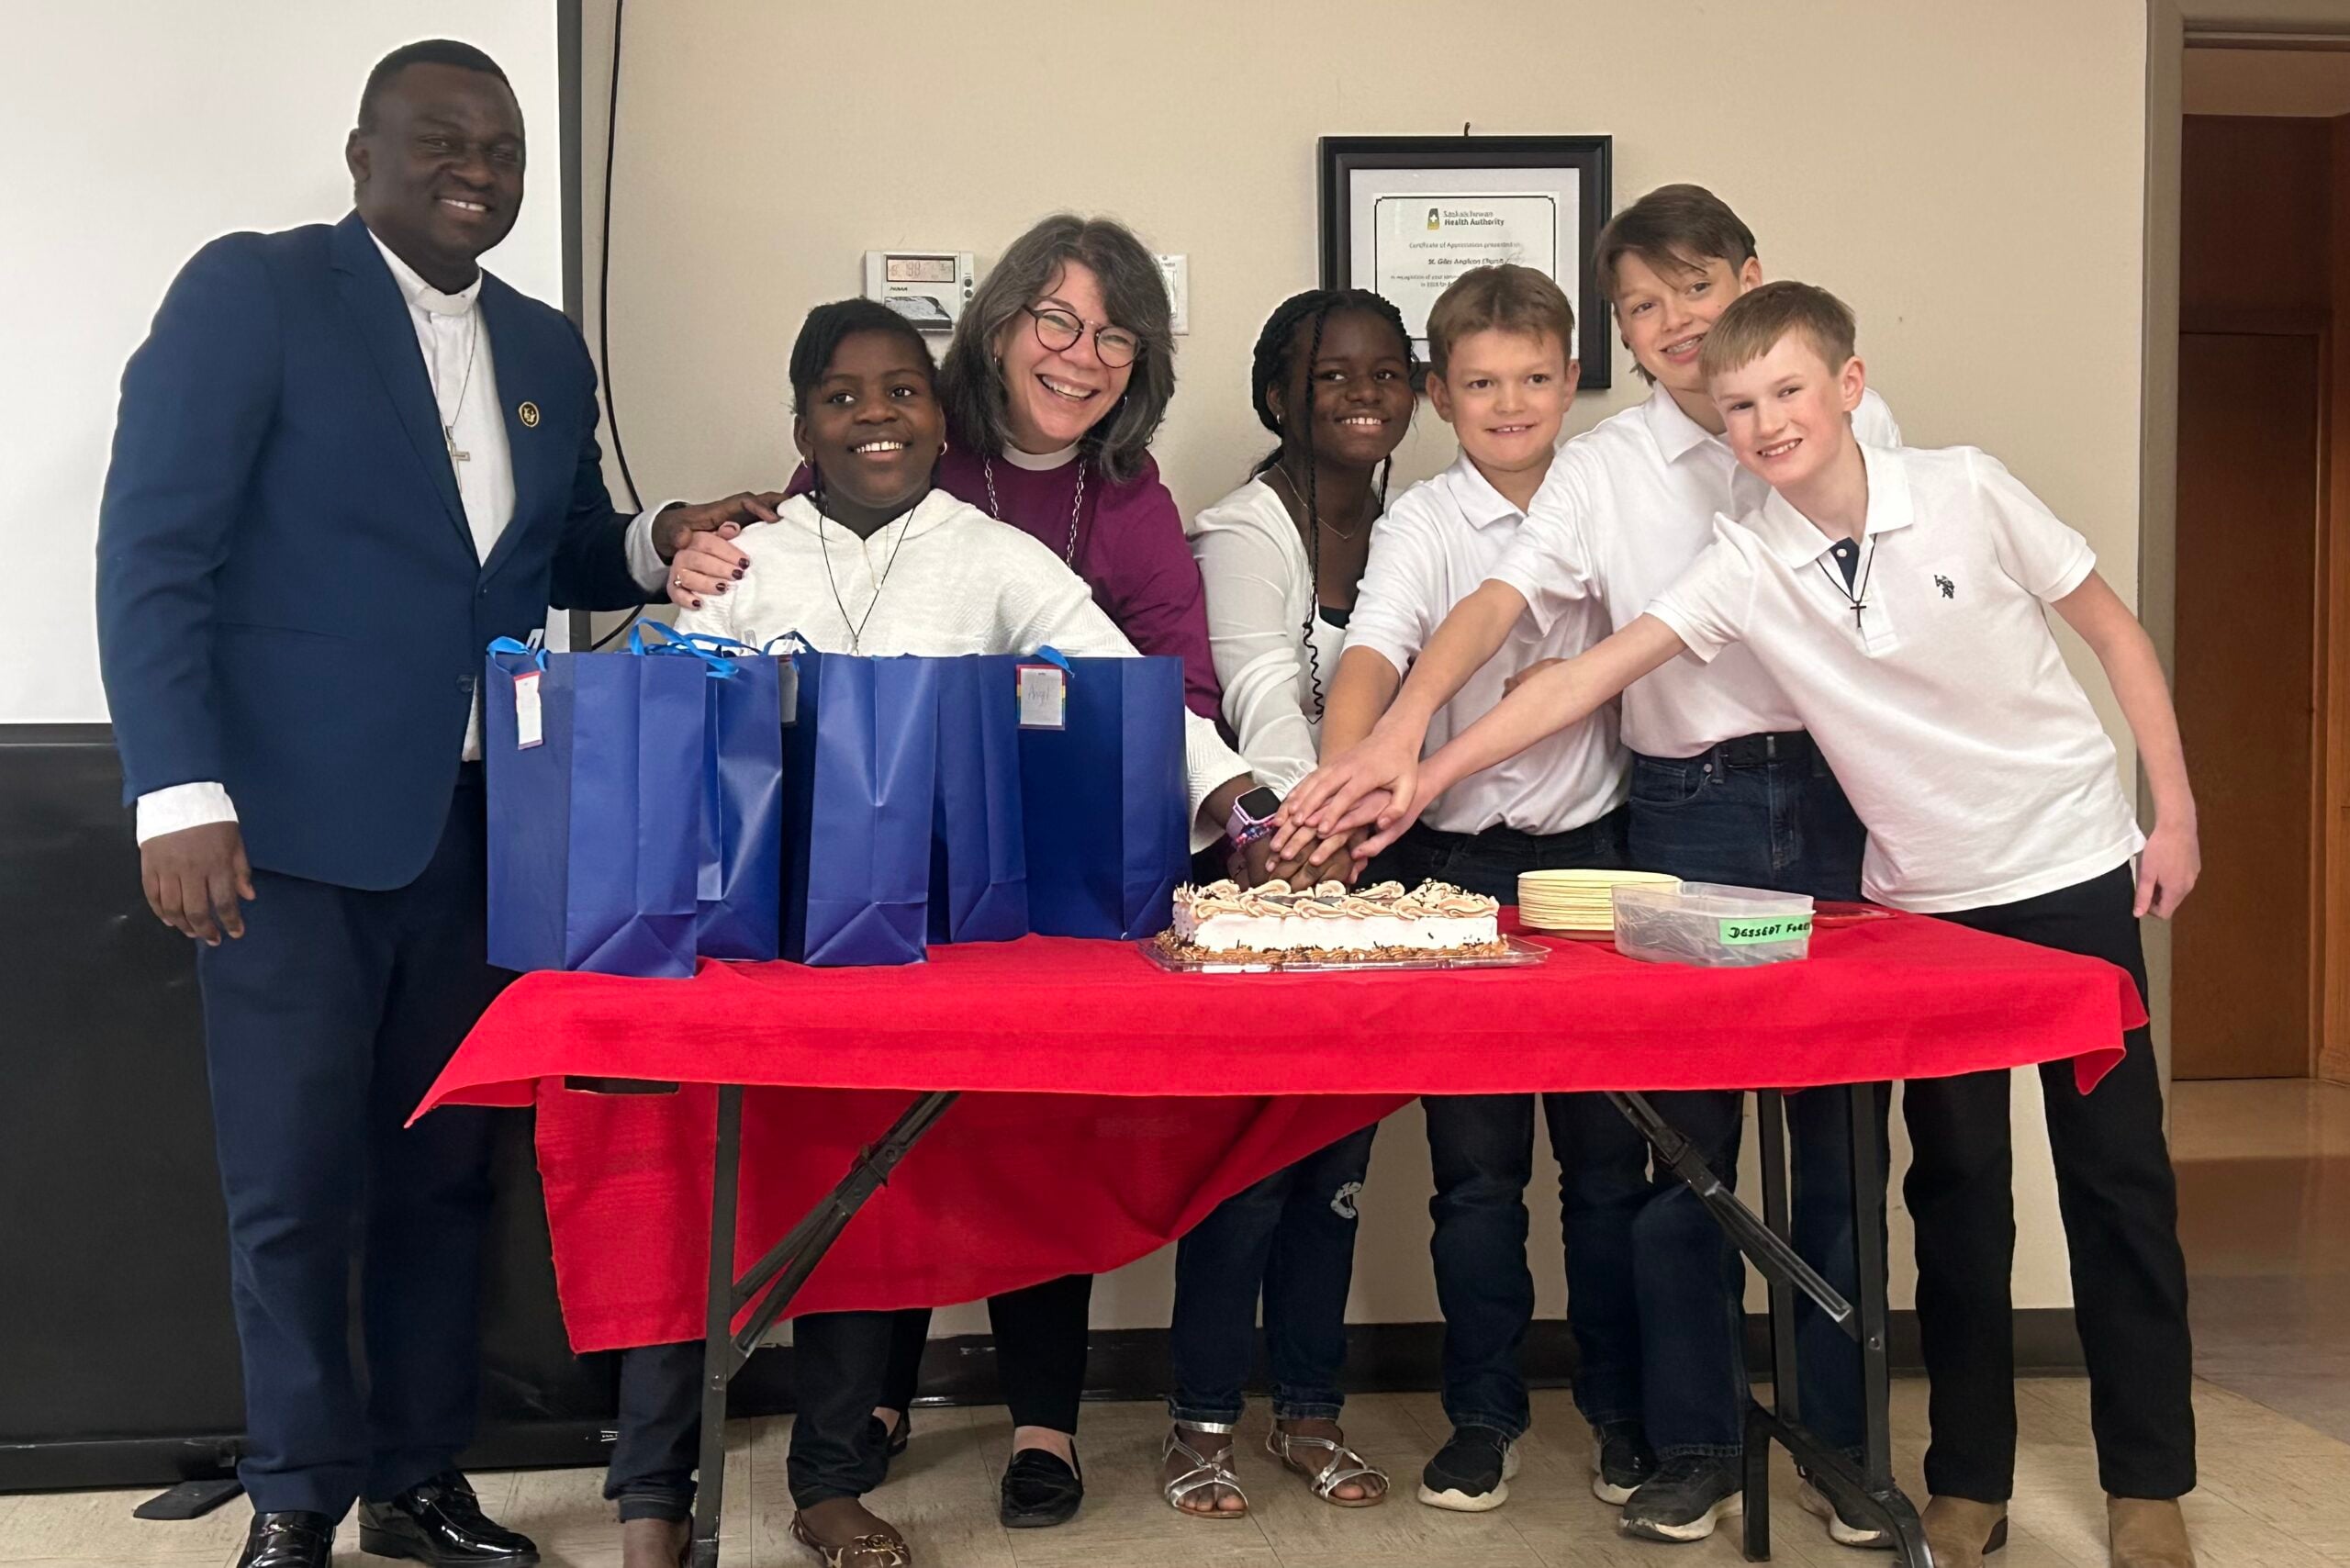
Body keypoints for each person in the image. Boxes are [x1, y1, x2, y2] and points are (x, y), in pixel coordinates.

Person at [1307, 280, 2201, 1568]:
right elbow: (1579, 678)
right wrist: (1422, 769)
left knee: (2116, 1178)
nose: (1768, 422)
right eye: (1740, 406)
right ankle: (1967, 1480)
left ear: (1849, 388)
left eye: (1789, 392)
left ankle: (2147, 1487)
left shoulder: (1964, 486)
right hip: (1925, 899)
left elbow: (2114, 632)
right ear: (1714, 422)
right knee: (1957, 1191)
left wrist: (2172, 812)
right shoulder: (1744, 562)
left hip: (2071, 863)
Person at [93, 40, 779, 1568]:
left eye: (503, 147)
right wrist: (176, 792)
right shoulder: (257, 293)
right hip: (280, 839)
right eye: (441, 141)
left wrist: (663, 536)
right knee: (292, 1184)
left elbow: (551, 553)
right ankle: (295, 1495)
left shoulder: (542, 346)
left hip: (486, 830)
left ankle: (415, 1484)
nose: (478, 169)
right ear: (363, 155)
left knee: (444, 1177)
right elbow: (153, 551)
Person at [1290, 184, 1904, 1546]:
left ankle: (1819, 1443)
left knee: (1810, 1146)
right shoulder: (1597, 473)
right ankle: (1653, 1436)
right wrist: (1387, 757)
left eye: (1695, 289)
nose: (1675, 322)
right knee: (1633, 1157)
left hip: (1795, 803)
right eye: (1644, 305)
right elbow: (1467, 619)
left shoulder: (1824, 423)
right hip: (1638, 823)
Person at [604, 297, 1262, 1568]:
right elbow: (663, 724)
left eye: (902, 392)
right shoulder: (747, 558)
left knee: (860, 1205)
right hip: (745, 943)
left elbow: (1124, 687)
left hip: (902, 941)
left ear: (940, 414)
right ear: (802, 422)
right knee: (705, 1204)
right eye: (842, 397)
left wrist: (1238, 800)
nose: (876, 418)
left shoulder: (994, 555)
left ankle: (830, 1481)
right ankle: (651, 1497)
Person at [1266, 263, 1649, 1516]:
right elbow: (1374, 651)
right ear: (1439, 395)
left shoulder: (1617, 496)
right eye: (1481, 383)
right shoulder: (1425, 522)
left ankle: (1621, 1415)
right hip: (1458, 871)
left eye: (1534, 378)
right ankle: (1483, 1416)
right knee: (1475, 1175)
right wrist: (1343, 785)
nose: (1510, 403)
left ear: (1574, 379)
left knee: (1608, 1170)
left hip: (1598, 860)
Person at [1158, 286, 1416, 1519]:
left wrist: (1353, 838)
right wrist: (1298, 837)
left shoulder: (1417, 528)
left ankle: (1310, 1412)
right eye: (1331, 374)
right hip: (1260, 870)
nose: (1364, 395)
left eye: (1387, 372)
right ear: (1276, 396)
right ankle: (1201, 1420)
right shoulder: (1238, 531)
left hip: (1363, 876)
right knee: (1246, 1171)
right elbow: (1263, 695)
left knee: (1336, 1167)